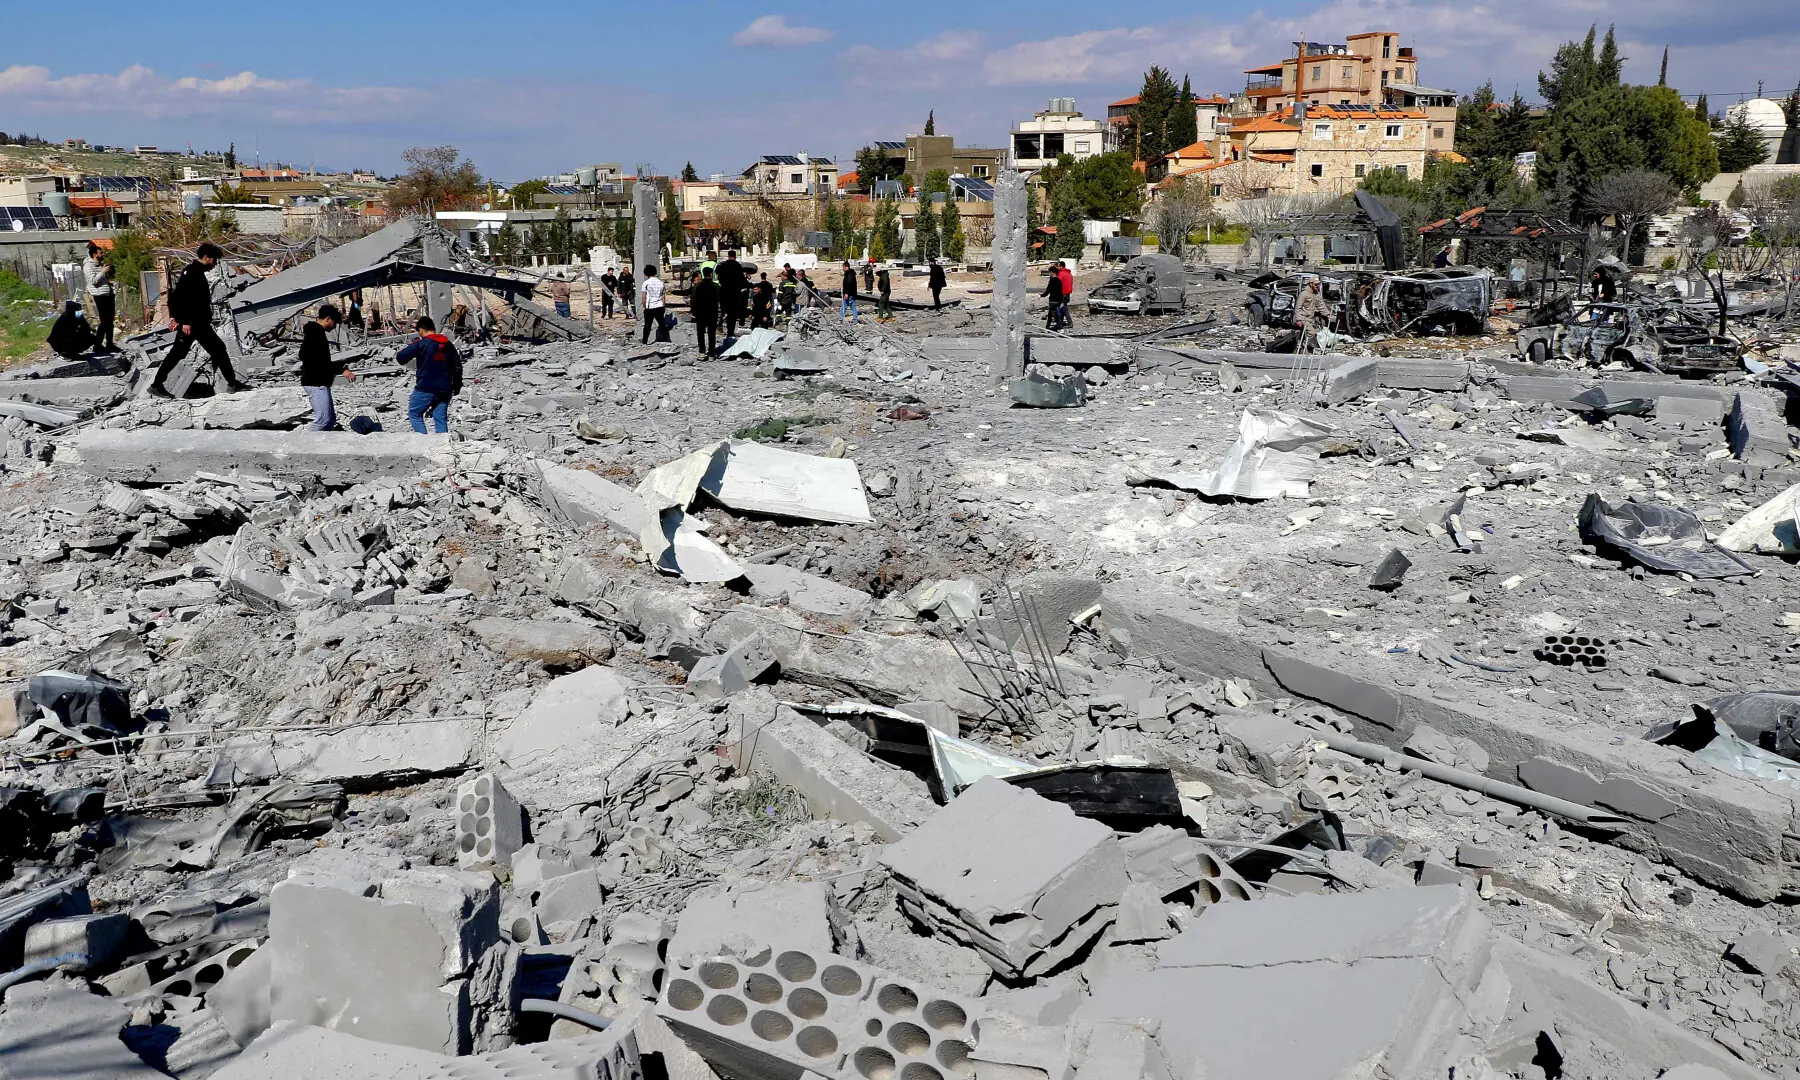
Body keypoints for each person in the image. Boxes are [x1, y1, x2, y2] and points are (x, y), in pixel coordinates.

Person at [150, 242, 249, 397]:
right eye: (214, 259)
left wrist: (178, 318)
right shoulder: (192, 273)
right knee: (182, 353)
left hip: (198, 323)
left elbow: (179, 298)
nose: (215, 263)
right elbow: (184, 299)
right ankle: (157, 384)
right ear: (206, 257)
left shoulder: (195, 272)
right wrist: (184, 322)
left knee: (215, 349)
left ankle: (232, 382)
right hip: (193, 324)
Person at [396, 315, 462, 433]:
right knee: (440, 419)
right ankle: (443, 447)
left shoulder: (422, 344)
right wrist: (456, 386)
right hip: (445, 388)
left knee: (415, 414)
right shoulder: (449, 345)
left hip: (426, 387)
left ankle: (424, 444)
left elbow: (401, 357)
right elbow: (458, 367)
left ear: (421, 330)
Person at [300, 304, 356, 431]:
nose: (335, 326)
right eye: (335, 323)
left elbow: (303, 354)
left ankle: (323, 446)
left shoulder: (313, 332)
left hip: (317, 381)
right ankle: (303, 445)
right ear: (328, 319)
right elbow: (322, 360)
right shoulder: (316, 334)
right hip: (316, 382)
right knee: (323, 420)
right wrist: (342, 371)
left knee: (330, 420)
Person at [83, 242, 114, 352]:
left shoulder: (100, 265)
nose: (103, 255)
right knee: (104, 321)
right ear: (95, 254)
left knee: (110, 320)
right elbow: (93, 281)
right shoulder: (88, 266)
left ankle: (110, 343)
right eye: (100, 253)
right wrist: (102, 272)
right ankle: (97, 344)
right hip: (100, 296)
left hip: (108, 294)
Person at [717, 249, 748, 338]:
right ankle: (730, 331)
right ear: (735, 256)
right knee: (732, 314)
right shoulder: (737, 266)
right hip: (734, 293)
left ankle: (720, 326)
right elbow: (741, 279)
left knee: (724, 311)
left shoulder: (723, 265)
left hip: (724, 291)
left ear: (728, 256)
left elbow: (719, 277)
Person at [691, 265, 720, 356]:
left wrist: (693, 312)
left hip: (700, 313)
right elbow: (721, 299)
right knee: (711, 333)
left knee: (700, 333)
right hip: (712, 312)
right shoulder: (716, 286)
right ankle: (711, 352)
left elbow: (693, 299)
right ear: (711, 274)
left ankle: (702, 351)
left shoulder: (697, 286)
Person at [1294, 279, 1329, 353]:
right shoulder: (1304, 294)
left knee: (1303, 334)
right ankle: (1304, 347)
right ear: (1310, 284)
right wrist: (1298, 319)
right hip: (1303, 318)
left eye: (1318, 284)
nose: (1317, 286)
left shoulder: (1316, 294)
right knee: (1311, 332)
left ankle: (1298, 348)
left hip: (1310, 318)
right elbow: (1297, 307)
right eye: (1316, 284)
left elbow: (1321, 305)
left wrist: (1327, 314)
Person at [639, 265, 666, 344]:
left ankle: (645, 341)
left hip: (650, 307)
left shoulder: (646, 283)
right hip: (659, 306)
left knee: (647, 325)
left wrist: (644, 306)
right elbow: (663, 296)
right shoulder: (661, 282)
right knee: (662, 324)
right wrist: (663, 305)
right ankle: (666, 340)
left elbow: (644, 296)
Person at [1056, 260, 1075, 329]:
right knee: (1063, 307)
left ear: (1061, 266)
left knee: (1063, 308)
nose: (1057, 267)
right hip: (1067, 294)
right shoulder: (1069, 274)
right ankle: (1060, 321)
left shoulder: (1060, 274)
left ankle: (1070, 323)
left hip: (1062, 293)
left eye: (1057, 266)